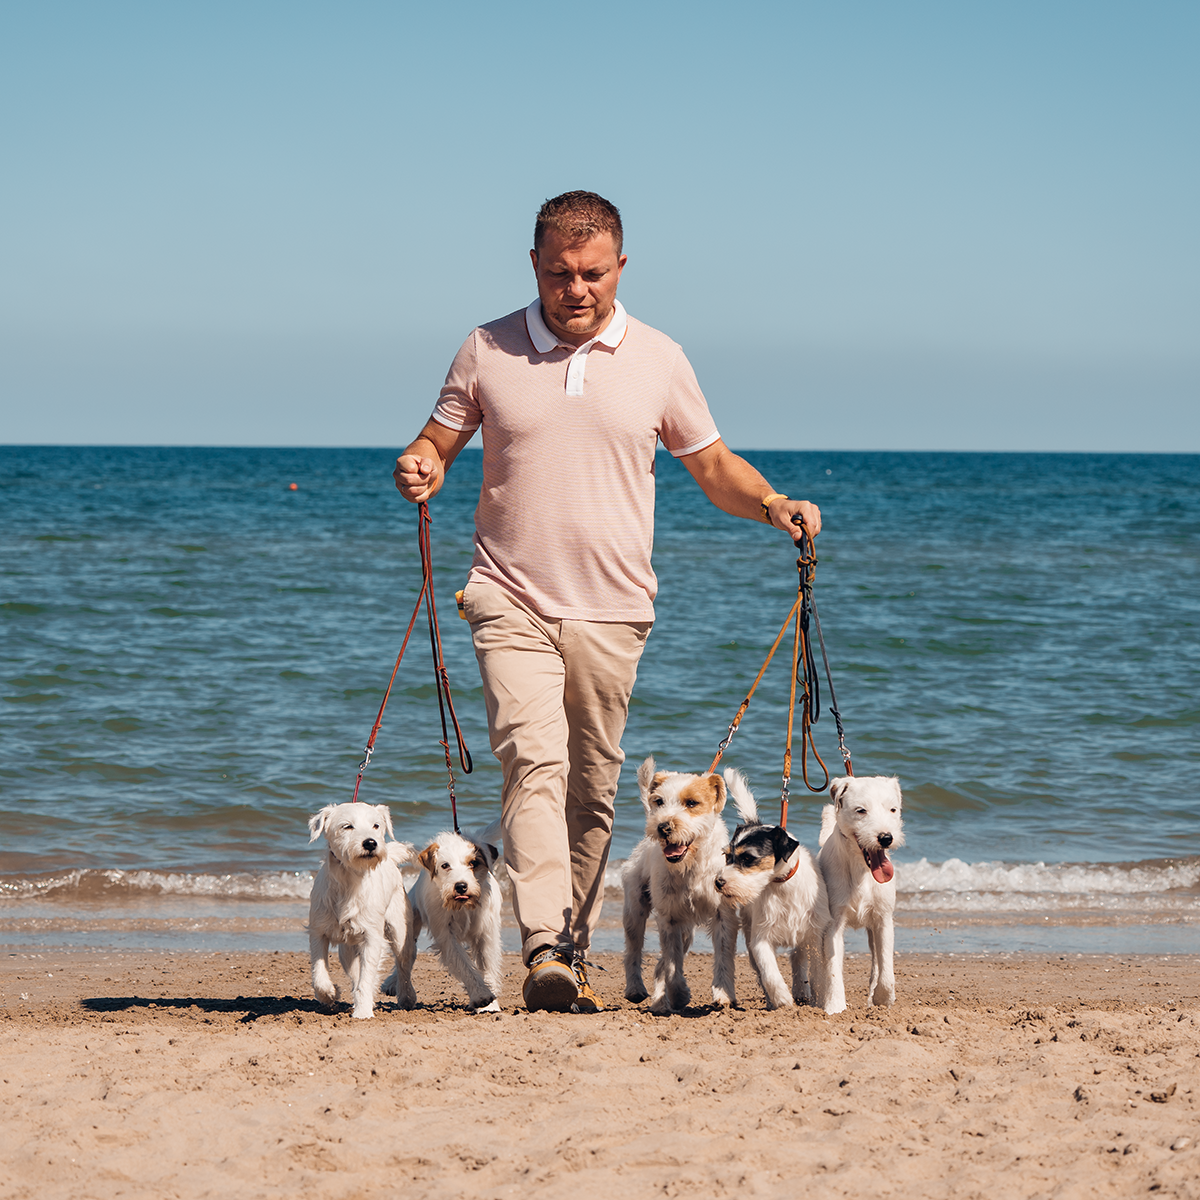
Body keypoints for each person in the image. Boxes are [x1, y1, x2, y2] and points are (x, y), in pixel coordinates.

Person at [393, 191, 821, 1013]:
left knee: (591, 790)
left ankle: (572, 952)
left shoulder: (659, 358)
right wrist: (421, 463)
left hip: (615, 611)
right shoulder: (485, 349)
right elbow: (437, 440)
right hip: (507, 594)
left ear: (621, 267)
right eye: (559, 273)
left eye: (593, 273)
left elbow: (713, 464)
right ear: (534, 267)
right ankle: (544, 945)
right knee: (534, 766)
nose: (576, 289)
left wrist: (772, 504)